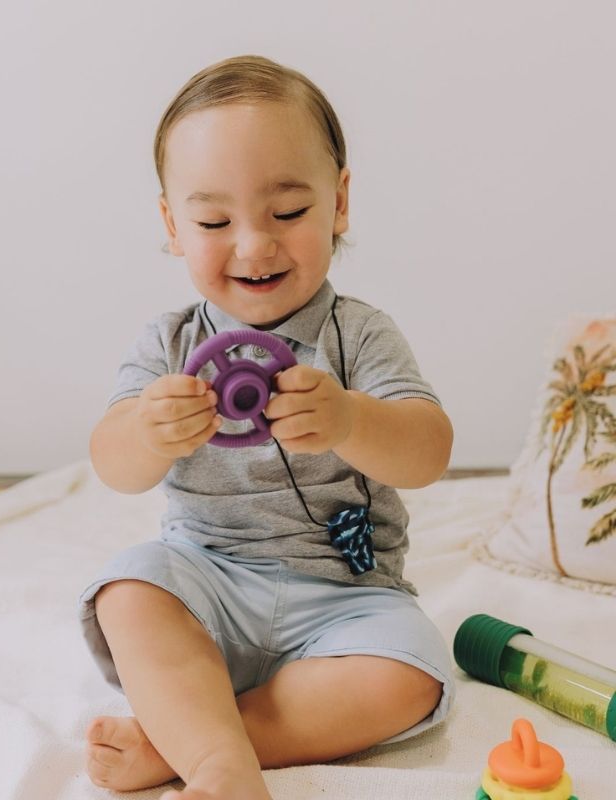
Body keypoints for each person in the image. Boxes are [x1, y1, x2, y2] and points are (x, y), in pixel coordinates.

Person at [80, 54, 455, 800]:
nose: (254, 245)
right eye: (215, 221)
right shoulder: (171, 343)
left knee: (411, 676)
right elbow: (111, 462)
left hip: (346, 598)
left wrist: (352, 418)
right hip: (209, 583)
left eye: (288, 212)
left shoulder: (360, 336)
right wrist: (148, 432)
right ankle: (219, 761)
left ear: (339, 202)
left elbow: (429, 451)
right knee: (128, 590)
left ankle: (195, 744)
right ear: (173, 225)